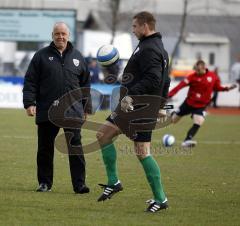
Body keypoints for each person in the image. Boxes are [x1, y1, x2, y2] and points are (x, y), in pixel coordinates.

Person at [96, 11, 170, 213]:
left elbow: (154, 79)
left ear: (145, 26)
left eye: (135, 26)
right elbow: (166, 79)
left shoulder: (150, 49)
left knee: (142, 152)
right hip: (135, 106)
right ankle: (114, 182)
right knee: (103, 134)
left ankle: (161, 198)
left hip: (140, 107)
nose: (133, 30)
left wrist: (132, 96)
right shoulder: (157, 48)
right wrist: (162, 104)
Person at [23, 22, 91, 193]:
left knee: (75, 148)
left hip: (73, 111)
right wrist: (30, 103)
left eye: (63, 33)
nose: (60, 36)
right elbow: (30, 81)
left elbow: (85, 85)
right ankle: (45, 183)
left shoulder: (79, 57)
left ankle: (79, 185)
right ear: (52, 35)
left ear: (69, 35)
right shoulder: (40, 56)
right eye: (57, 33)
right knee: (45, 148)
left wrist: (86, 107)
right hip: (47, 110)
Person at [168, 60, 237, 148]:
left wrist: (227, 88)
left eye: (198, 70)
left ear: (204, 68)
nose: (196, 71)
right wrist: (169, 95)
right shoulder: (191, 77)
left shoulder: (213, 76)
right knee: (174, 120)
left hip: (200, 106)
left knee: (199, 121)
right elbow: (179, 86)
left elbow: (217, 87)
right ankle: (173, 113)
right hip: (189, 103)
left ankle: (187, 140)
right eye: (195, 70)